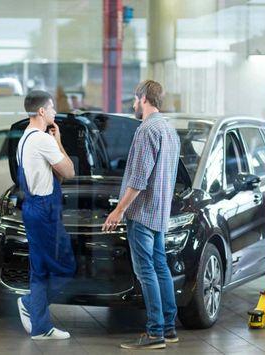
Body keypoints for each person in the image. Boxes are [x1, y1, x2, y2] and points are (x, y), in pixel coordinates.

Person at [101, 80, 180, 350]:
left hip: (143, 214)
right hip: (159, 213)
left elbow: (138, 179)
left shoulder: (146, 130)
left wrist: (118, 210)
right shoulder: (169, 129)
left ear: (144, 98)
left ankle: (155, 332)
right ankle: (169, 329)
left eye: (135, 100)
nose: (133, 104)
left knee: (146, 271)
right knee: (160, 268)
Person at [16, 90, 77, 340]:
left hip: (33, 208)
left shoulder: (24, 138)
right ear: (41, 111)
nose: (54, 112)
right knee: (65, 268)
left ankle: (41, 327)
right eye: (51, 108)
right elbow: (69, 171)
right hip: (44, 211)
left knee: (40, 269)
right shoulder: (43, 140)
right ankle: (31, 304)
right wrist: (59, 141)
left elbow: (57, 175)